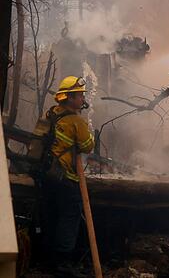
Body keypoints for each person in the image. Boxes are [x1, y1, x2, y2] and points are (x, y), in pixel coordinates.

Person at [35, 76, 94, 276]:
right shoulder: (76, 121)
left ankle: (48, 260)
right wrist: (89, 132)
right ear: (69, 98)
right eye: (79, 95)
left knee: (51, 215)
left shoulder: (52, 114)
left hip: (46, 175)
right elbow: (87, 146)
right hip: (66, 179)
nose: (82, 99)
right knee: (69, 217)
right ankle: (62, 263)